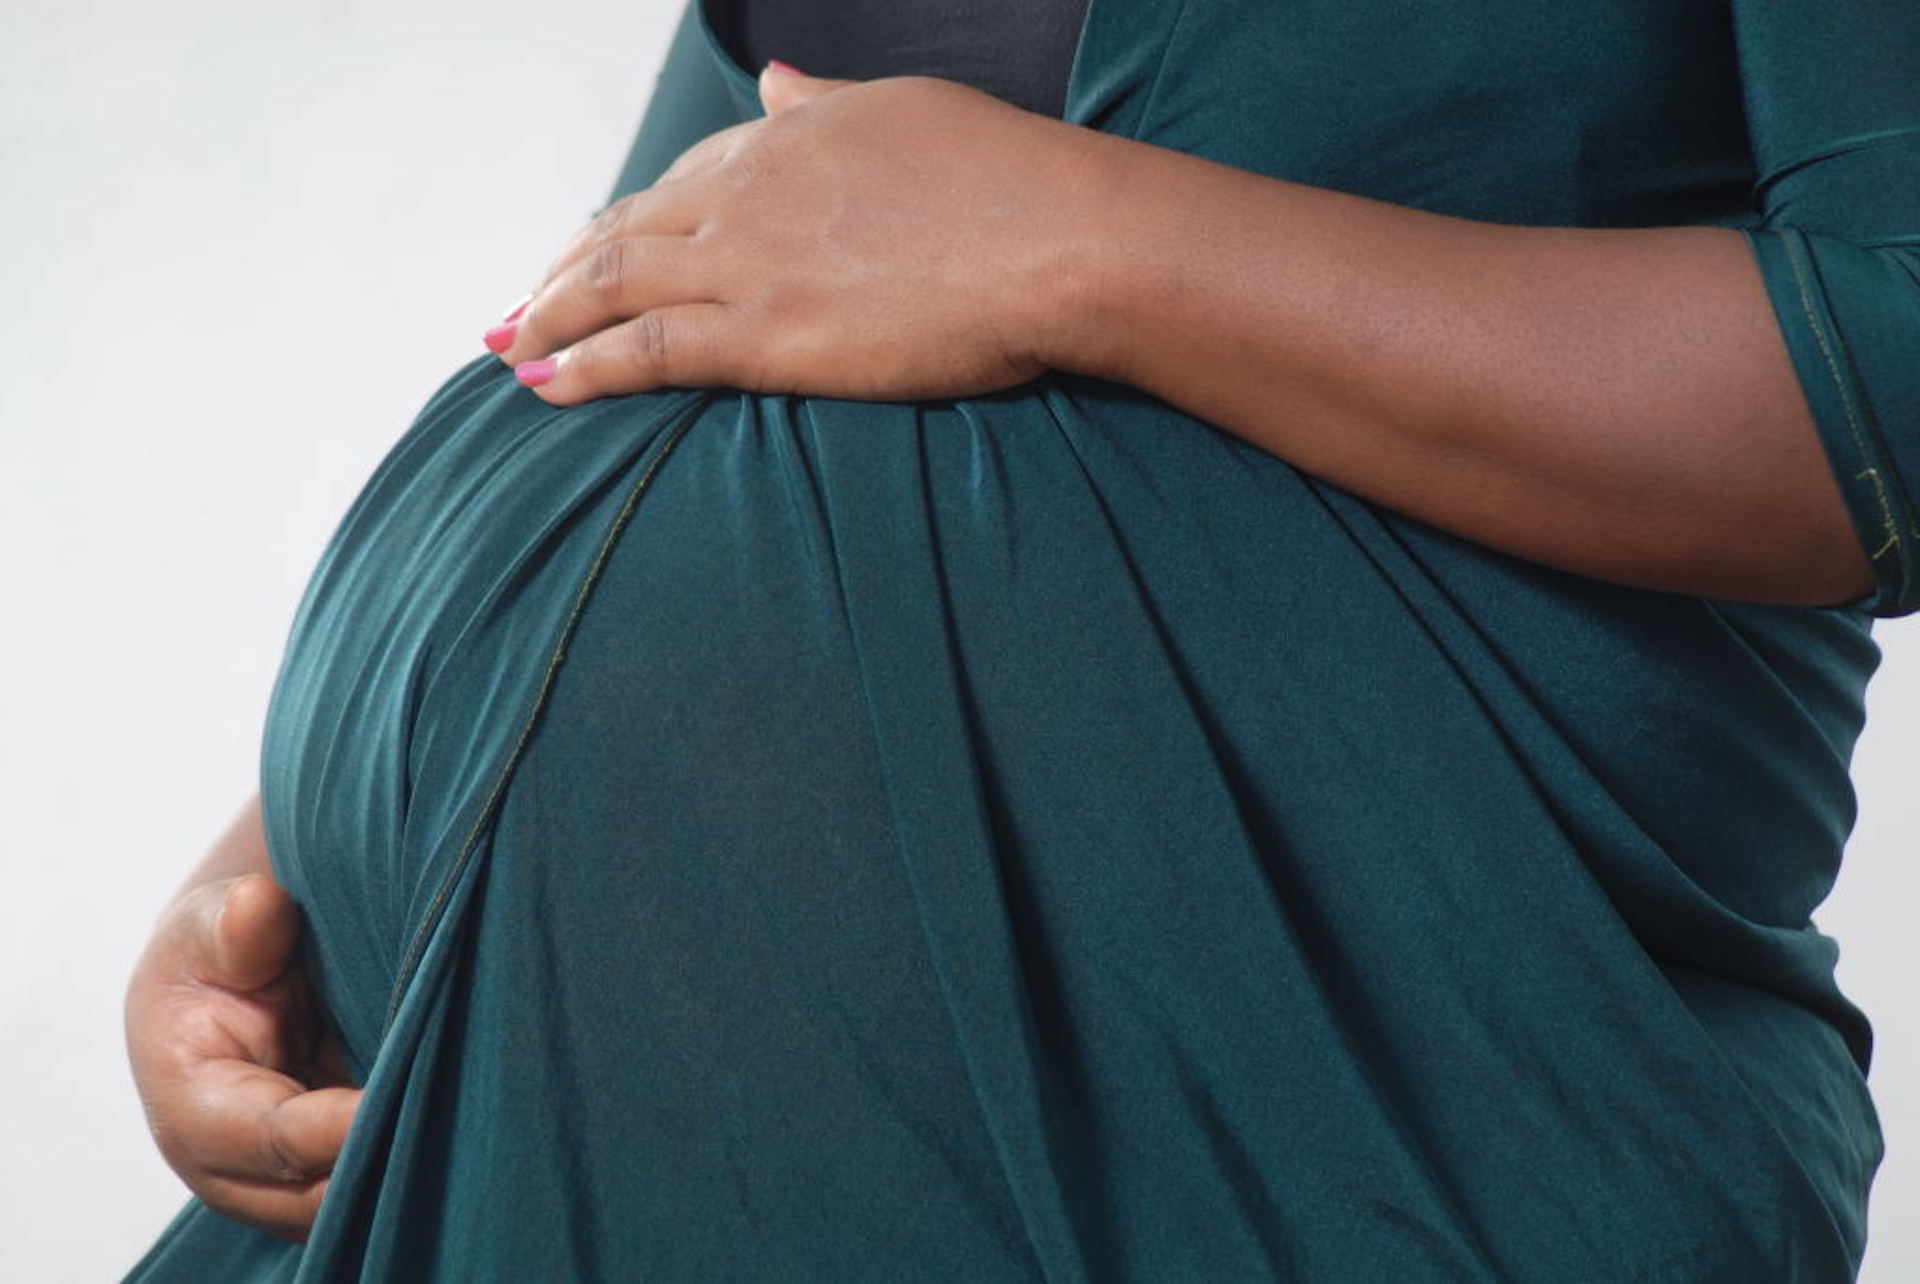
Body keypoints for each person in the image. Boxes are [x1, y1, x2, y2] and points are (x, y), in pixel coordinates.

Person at [123, 0, 1916, 1277]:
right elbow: (657, 279)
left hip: (1324, 1131)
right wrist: (288, 868)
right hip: (456, 1089)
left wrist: (1083, 242)